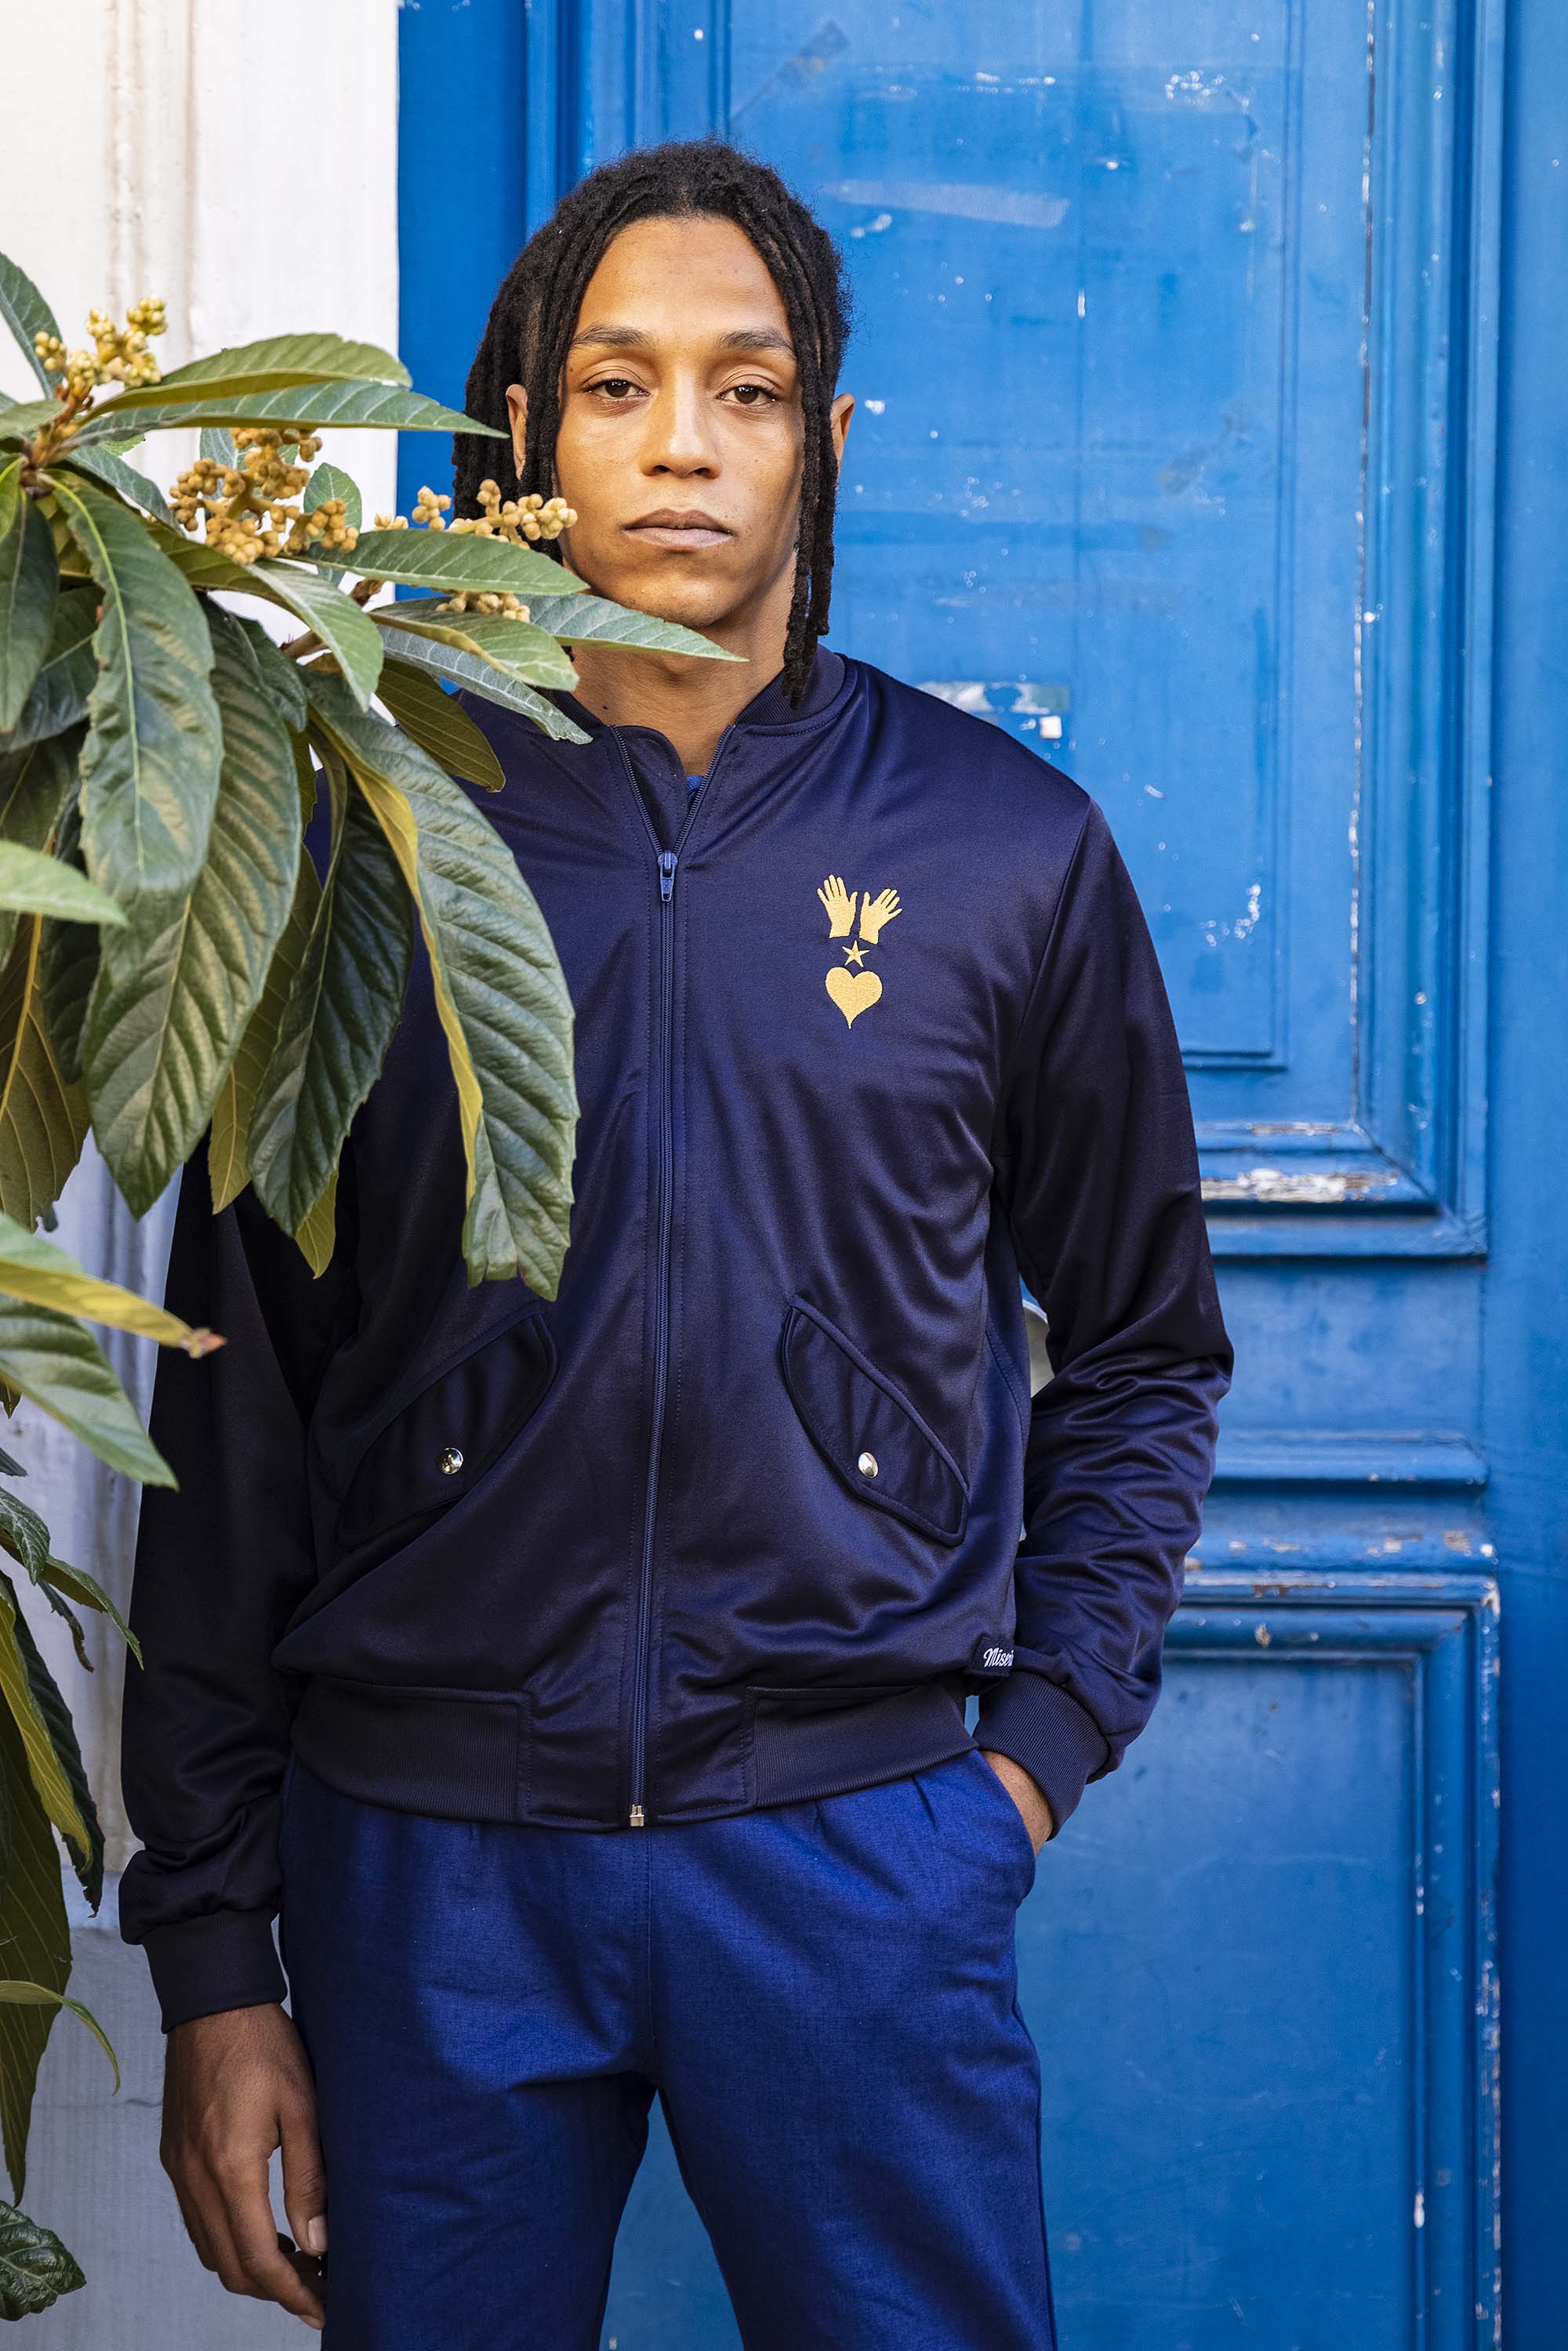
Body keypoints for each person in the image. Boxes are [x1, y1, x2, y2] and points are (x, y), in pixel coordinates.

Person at [120, 139, 1232, 2348]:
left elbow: (1144, 1351)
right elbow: (228, 1399)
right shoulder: (373, 834)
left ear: (825, 438)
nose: (685, 446)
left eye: (747, 388)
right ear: (528, 434)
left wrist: (1024, 1761)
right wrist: (218, 1958)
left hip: (853, 1853)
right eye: (619, 386)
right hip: (427, 1865)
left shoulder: (1003, 852)